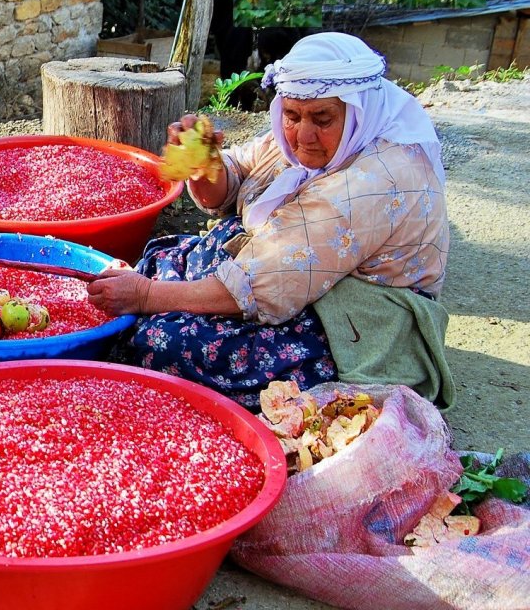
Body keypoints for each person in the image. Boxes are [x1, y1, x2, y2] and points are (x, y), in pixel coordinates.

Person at [88, 32, 453, 409]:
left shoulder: (376, 179)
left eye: (322, 118)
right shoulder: (320, 131)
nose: (303, 135)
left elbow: (257, 284)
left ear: (359, 109)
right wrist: (203, 163)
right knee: (168, 258)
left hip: (355, 317)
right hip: (296, 269)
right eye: (292, 116)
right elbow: (242, 172)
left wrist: (148, 296)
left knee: (166, 342)